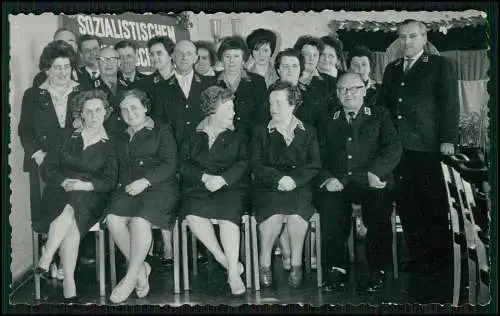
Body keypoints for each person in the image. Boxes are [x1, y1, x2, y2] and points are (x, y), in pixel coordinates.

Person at [376, 19, 459, 275]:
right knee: (407, 205)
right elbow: (384, 108)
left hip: (428, 147)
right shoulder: (391, 69)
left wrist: (448, 139)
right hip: (398, 150)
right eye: (402, 37)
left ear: (424, 38)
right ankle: (418, 257)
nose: (407, 42)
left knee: (433, 205)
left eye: (412, 36)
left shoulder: (438, 65)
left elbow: (450, 105)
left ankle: (441, 259)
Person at [316, 72, 402, 292]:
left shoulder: (379, 114)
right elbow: (318, 155)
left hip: (371, 180)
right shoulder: (328, 118)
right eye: (343, 89)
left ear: (364, 90)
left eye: (354, 88)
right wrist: (327, 178)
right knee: (330, 209)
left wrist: (377, 172)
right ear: (337, 93)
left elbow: (393, 147)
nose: (348, 93)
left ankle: (377, 270)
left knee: (379, 211)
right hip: (340, 180)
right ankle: (337, 269)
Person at [34, 89, 118, 301]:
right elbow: (48, 168)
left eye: (98, 110)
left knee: (75, 203)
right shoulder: (67, 137)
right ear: (81, 114)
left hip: (93, 195)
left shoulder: (112, 142)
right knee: (70, 218)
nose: (93, 115)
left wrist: (85, 185)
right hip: (60, 192)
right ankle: (68, 281)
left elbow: (110, 180)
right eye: (88, 111)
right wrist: (63, 181)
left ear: (105, 112)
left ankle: (47, 258)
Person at [106, 89, 179, 303]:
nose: (129, 113)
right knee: (112, 218)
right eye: (124, 110)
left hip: (160, 187)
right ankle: (141, 268)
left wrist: (145, 181)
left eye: (134, 107)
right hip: (130, 189)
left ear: (145, 107)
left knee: (140, 221)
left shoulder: (162, 130)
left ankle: (130, 278)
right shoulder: (120, 135)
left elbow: (170, 163)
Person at [179, 85, 250, 296]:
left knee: (228, 218)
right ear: (213, 110)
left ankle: (233, 276)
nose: (234, 112)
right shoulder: (193, 132)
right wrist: (204, 177)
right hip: (200, 186)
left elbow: (244, 163)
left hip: (230, 187)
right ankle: (226, 260)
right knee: (192, 215)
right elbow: (183, 164)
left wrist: (223, 179)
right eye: (228, 108)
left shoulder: (239, 133)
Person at [251, 81, 321, 288]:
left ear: (293, 105)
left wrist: (294, 180)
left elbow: (314, 164)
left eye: (279, 103)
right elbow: (255, 164)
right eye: (271, 103)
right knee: (272, 215)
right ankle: (264, 263)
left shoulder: (308, 131)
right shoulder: (260, 131)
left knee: (297, 216)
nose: (273, 108)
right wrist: (278, 179)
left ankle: (296, 263)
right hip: (268, 185)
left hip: (299, 186)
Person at [19, 40, 81, 252]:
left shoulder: (83, 92)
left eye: (67, 67)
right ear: (47, 69)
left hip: (77, 162)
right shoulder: (33, 95)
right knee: (51, 208)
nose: (63, 72)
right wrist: (37, 154)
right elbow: (25, 131)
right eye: (57, 67)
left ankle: (60, 257)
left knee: (71, 209)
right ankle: (52, 256)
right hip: (45, 162)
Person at [152, 39, 216, 145]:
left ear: (195, 58)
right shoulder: (160, 88)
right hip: (174, 149)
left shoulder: (209, 84)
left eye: (189, 53)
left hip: (203, 148)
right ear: (172, 56)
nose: (184, 57)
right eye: (180, 53)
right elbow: (160, 123)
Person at [215, 36, 269, 136]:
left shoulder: (258, 82)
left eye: (236, 56)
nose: (231, 61)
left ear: (243, 59)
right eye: (227, 56)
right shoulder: (212, 81)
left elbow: (263, 116)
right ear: (221, 59)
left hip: (249, 140)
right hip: (219, 140)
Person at [89, 46, 132, 136]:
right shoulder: (89, 88)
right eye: (104, 59)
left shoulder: (130, 86)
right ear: (97, 63)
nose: (109, 63)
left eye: (113, 59)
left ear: (119, 63)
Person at [291, 36, 330, 127]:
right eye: (306, 54)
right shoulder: (288, 79)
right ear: (298, 55)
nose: (311, 58)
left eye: (315, 55)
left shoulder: (326, 83)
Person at [317, 35, 346, 107]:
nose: (326, 59)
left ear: (338, 60)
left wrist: (332, 80)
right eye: (322, 55)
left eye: (331, 56)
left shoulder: (346, 78)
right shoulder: (308, 75)